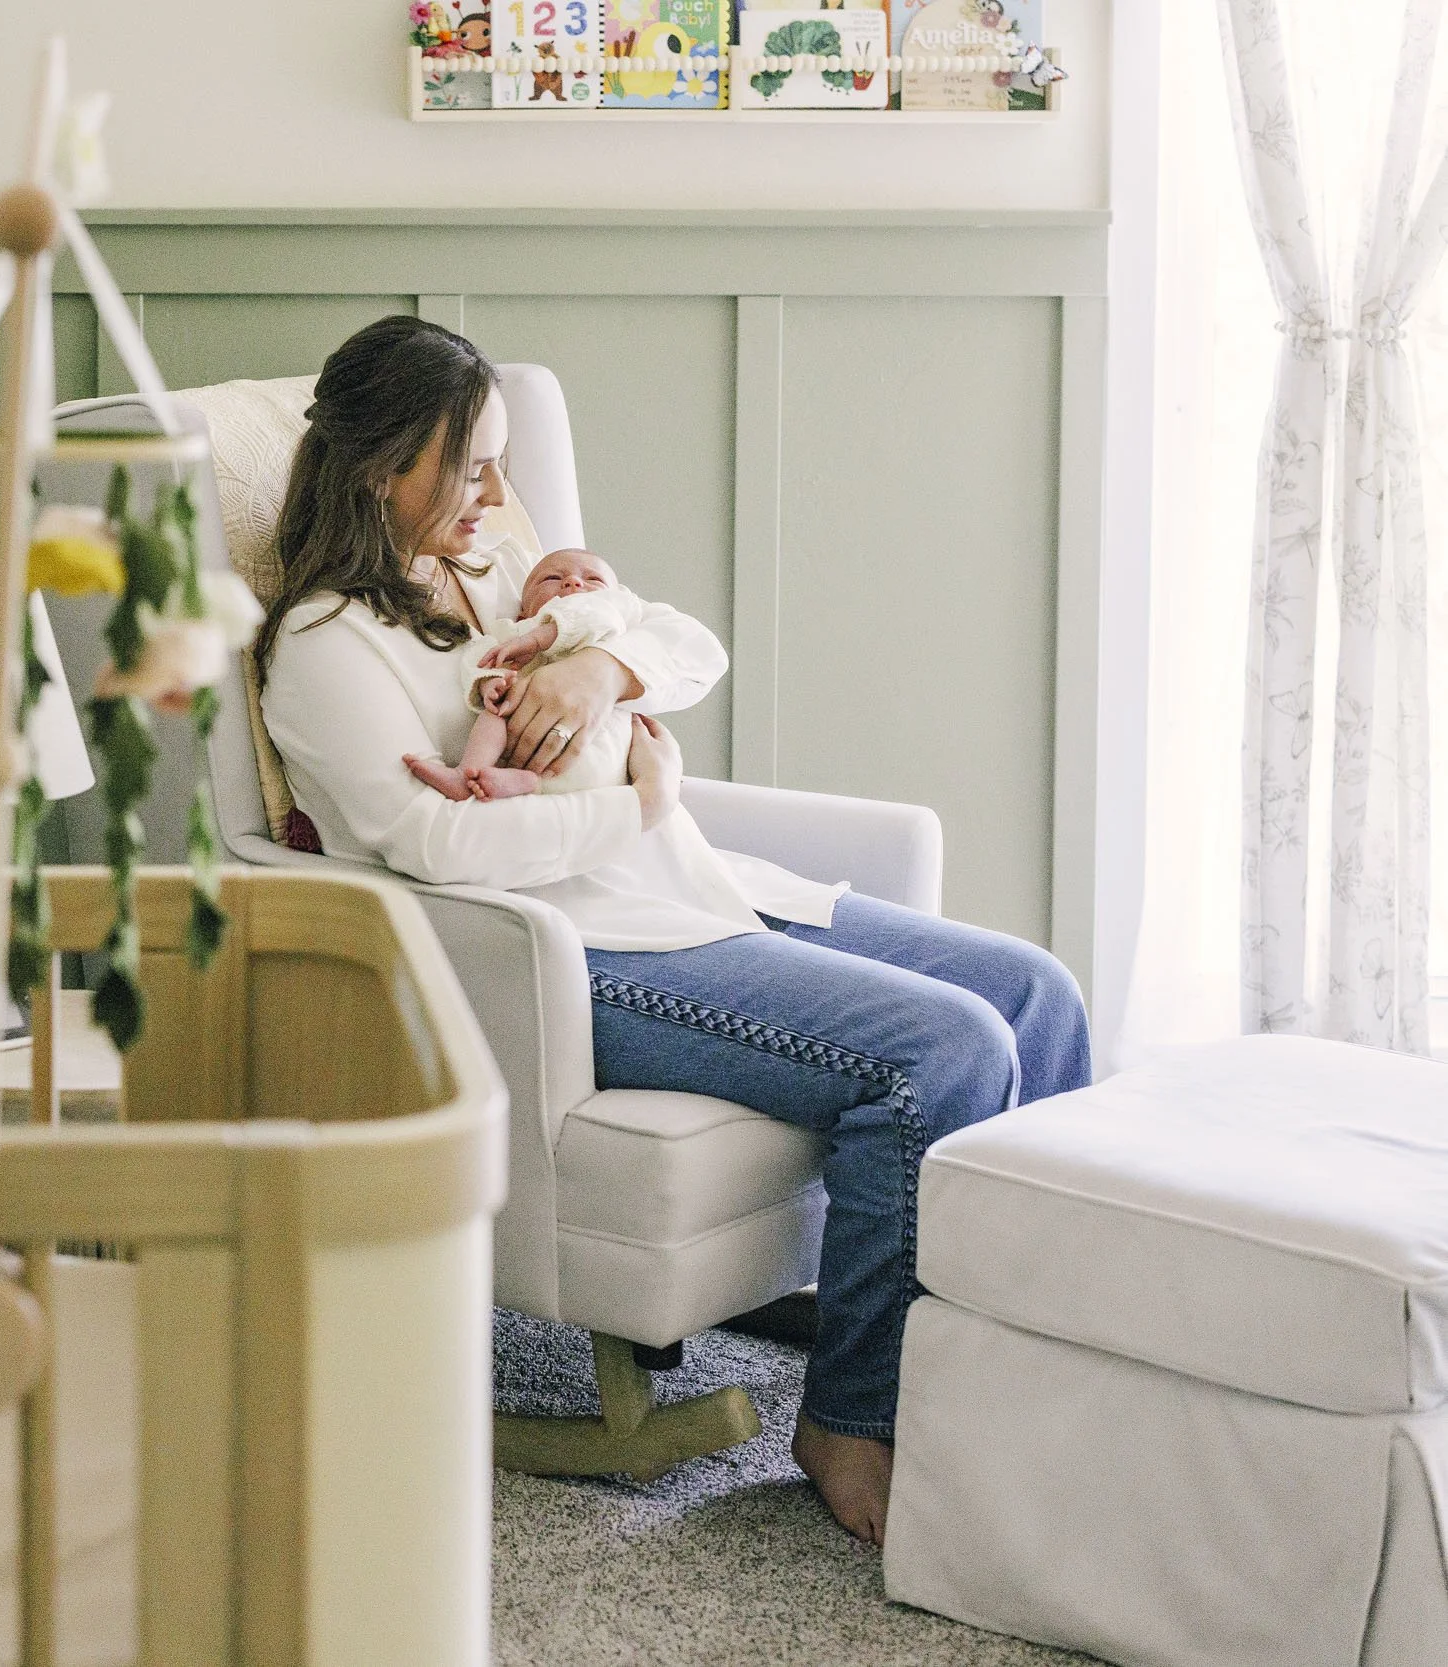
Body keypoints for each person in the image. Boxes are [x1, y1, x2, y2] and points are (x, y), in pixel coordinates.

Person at [255, 314, 1090, 1546]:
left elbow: (686, 644)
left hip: (700, 889)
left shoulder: (495, 569)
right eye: (469, 464)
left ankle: (1018, 1357)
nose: (498, 491)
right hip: (577, 952)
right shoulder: (324, 649)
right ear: (383, 466)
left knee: (1036, 995)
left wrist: (604, 674)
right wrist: (630, 805)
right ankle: (852, 1415)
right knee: (944, 1051)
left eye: (500, 460)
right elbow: (433, 846)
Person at [405, 545, 680, 802]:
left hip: (604, 748)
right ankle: (471, 772)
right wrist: (489, 683)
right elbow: (480, 656)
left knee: (630, 743)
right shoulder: (514, 631)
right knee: (496, 715)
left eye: (593, 579)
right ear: (523, 612)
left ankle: (529, 782)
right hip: (531, 758)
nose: (573, 582)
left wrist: (541, 637)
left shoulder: (613, 624)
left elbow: (595, 614)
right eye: (551, 578)